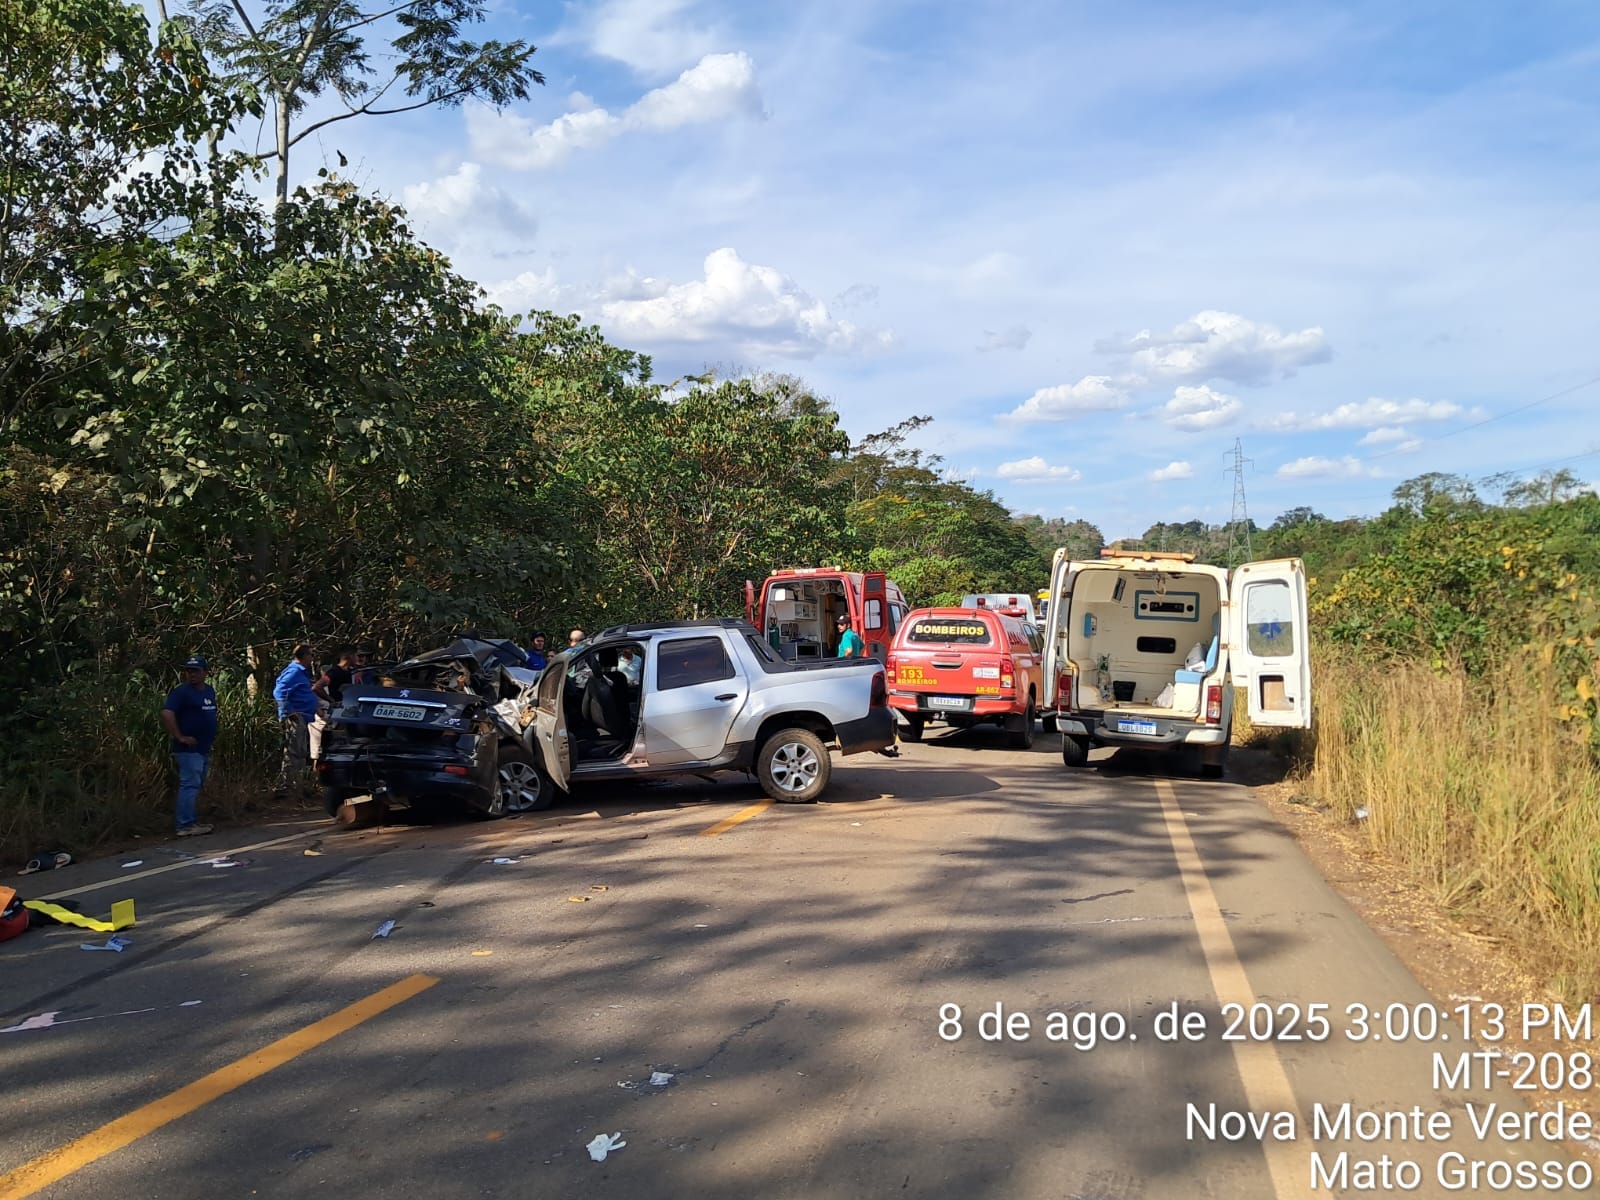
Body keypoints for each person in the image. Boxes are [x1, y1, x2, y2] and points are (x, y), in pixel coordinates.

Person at [161, 655, 217, 836]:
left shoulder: (209, 691)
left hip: (203, 747)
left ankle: (190, 820)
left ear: (205, 673)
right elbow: (167, 713)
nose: (191, 674)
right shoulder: (181, 692)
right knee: (190, 784)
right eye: (188, 671)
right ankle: (185, 824)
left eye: (196, 671)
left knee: (196, 783)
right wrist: (180, 736)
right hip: (188, 749)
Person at [273, 643, 319, 799]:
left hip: (303, 717)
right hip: (295, 717)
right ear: (305, 656)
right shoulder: (294, 672)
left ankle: (296, 785)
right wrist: (290, 712)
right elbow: (279, 691)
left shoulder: (301, 673)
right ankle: (287, 787)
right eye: (311, 655)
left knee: (300, 751)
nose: (312, 659)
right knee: (294, 751)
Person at [310, 645, 357, 762]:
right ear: (349, 657)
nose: (358, 658)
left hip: (348, 714)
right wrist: (331, 700)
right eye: (356, 655)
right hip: (337, 713)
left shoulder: (351, 672)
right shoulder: (334, 673)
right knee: (326, 748)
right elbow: (317, 687)